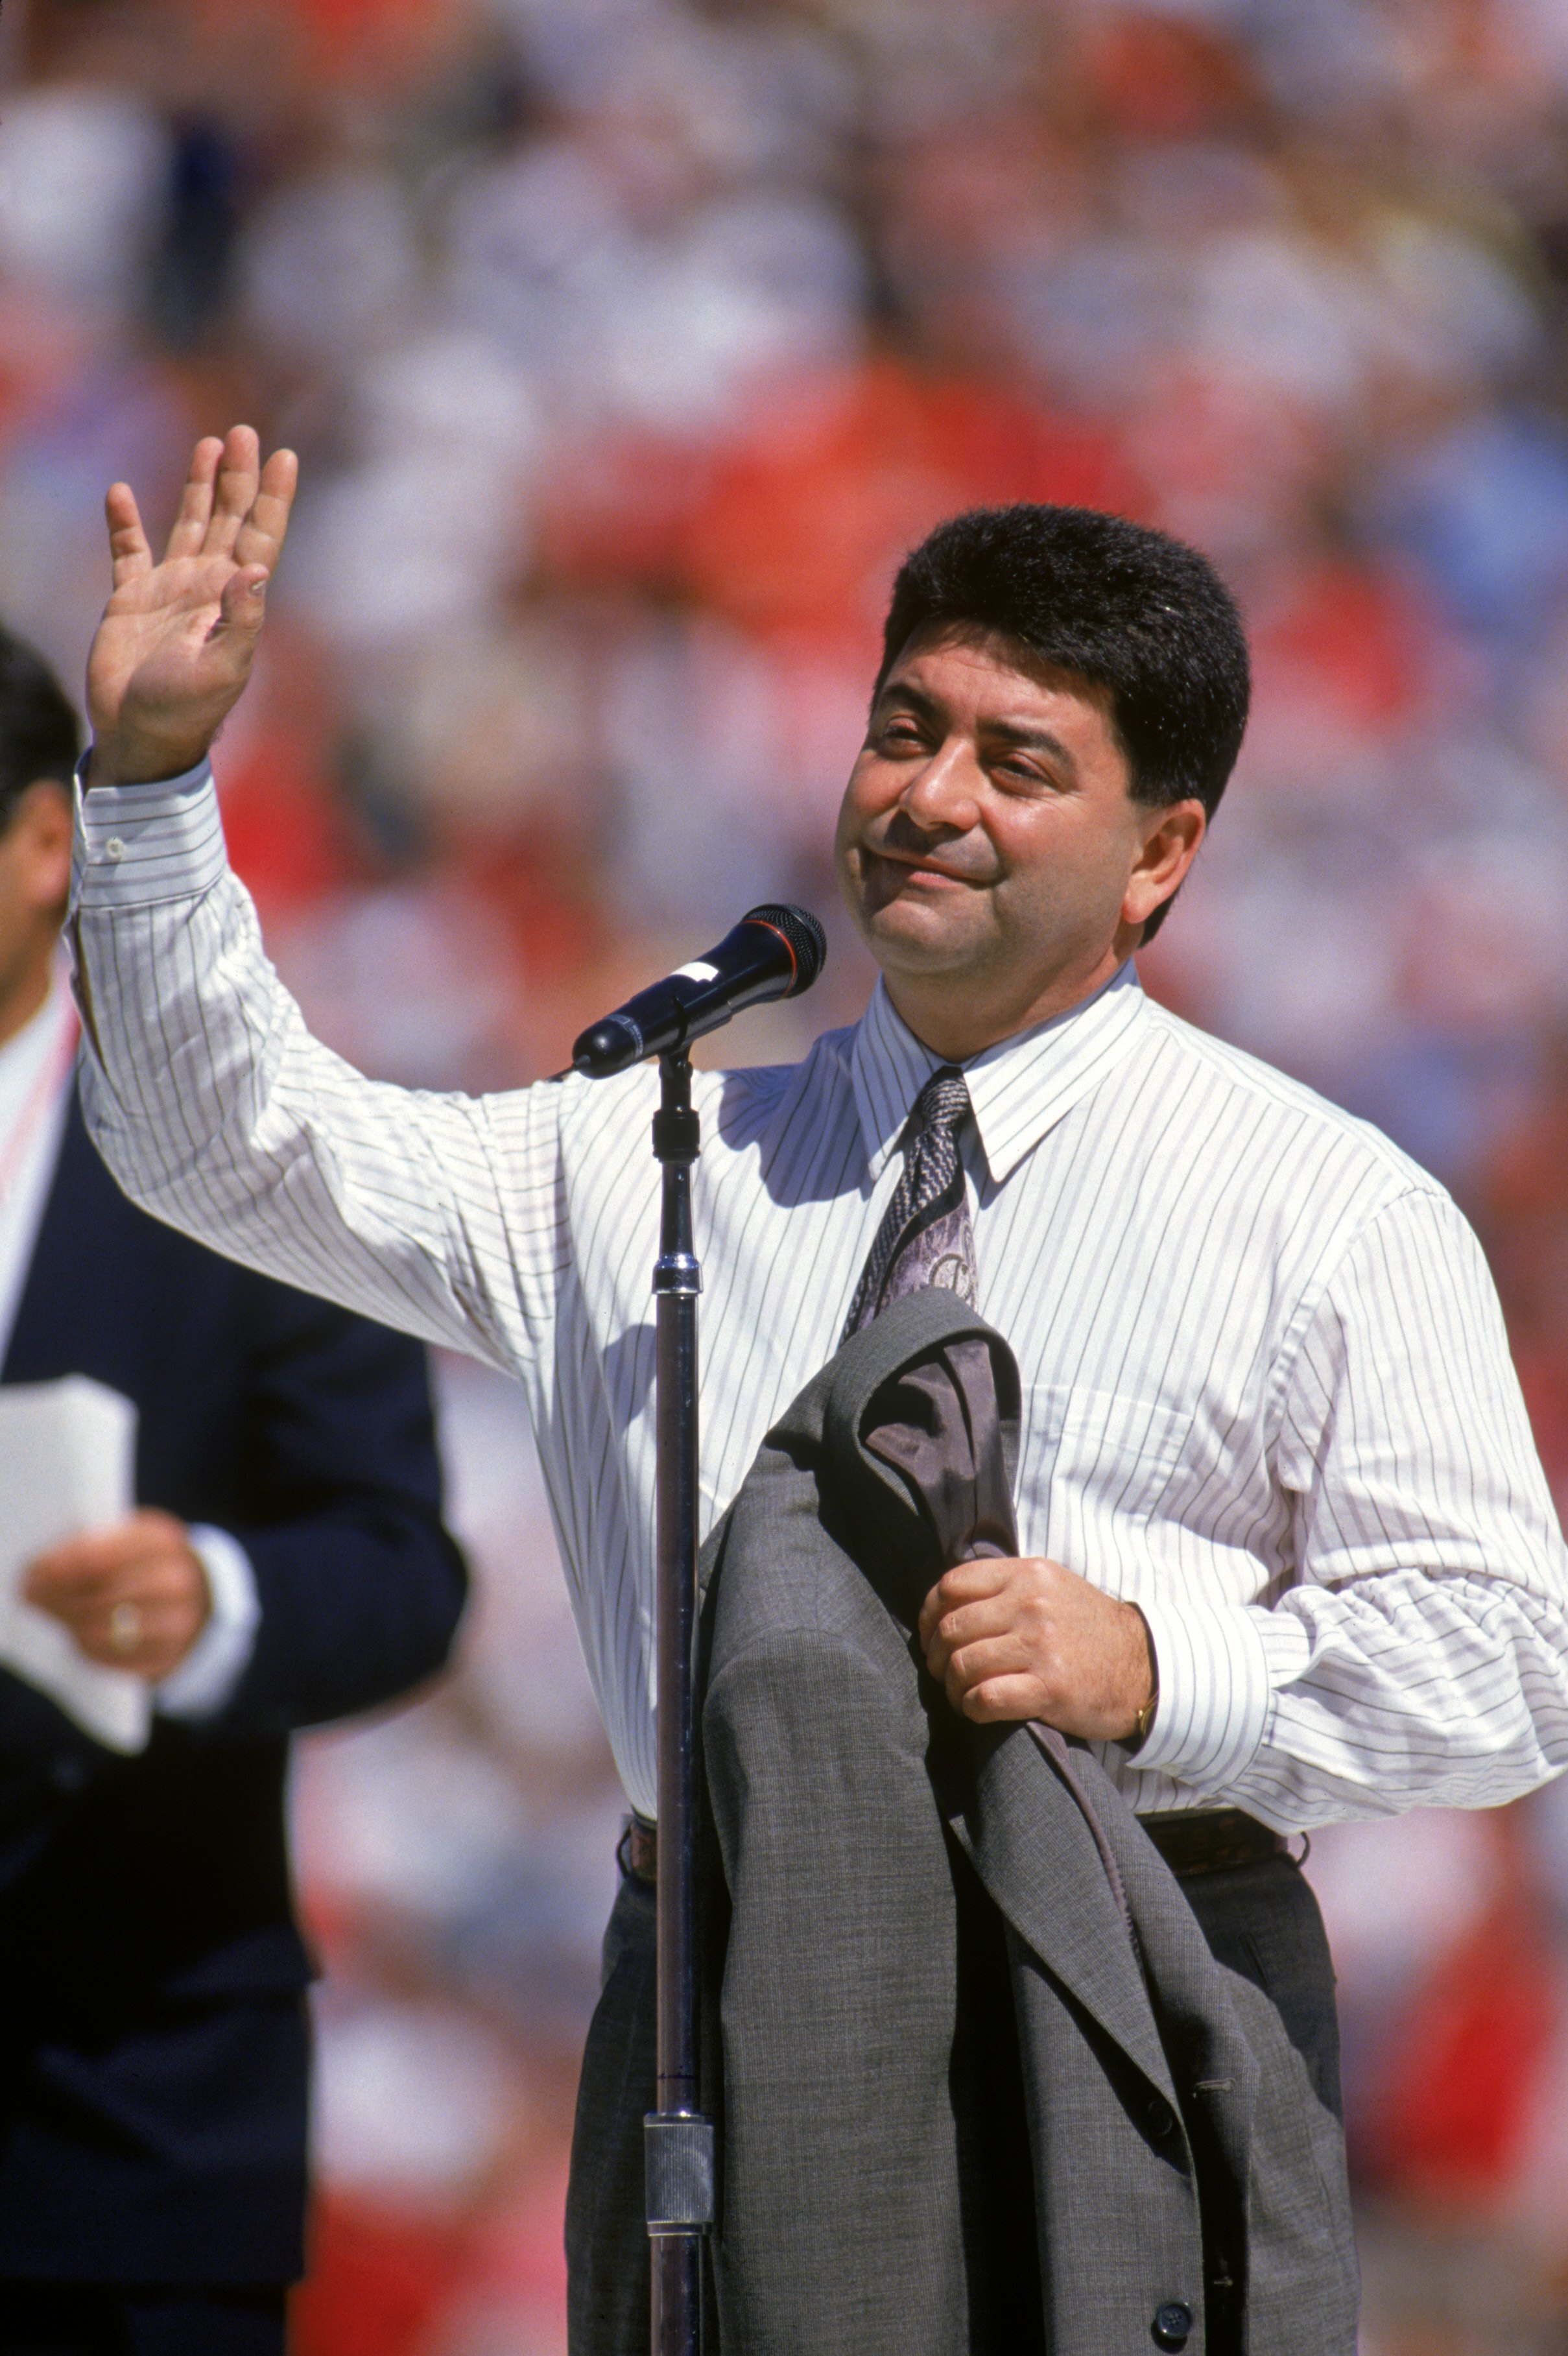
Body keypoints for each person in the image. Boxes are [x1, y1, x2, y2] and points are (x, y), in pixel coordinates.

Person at [68, 429, 1568, 2335]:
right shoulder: (639, 1149)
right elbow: (225, 1148)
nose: (930, 796)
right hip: (719, 1991)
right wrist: (151, 781)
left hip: (1125, 1979)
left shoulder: (1320, 1204)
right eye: (902, 730)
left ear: (1160, 853)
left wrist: (1159, 1669)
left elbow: (1513, 1660)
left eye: (1016, 763)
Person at [0, 623, 469, 2356]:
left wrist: (211, 1601)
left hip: (122, 2098)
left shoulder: (236, 1152)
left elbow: (399, 1563)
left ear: (46, 844)